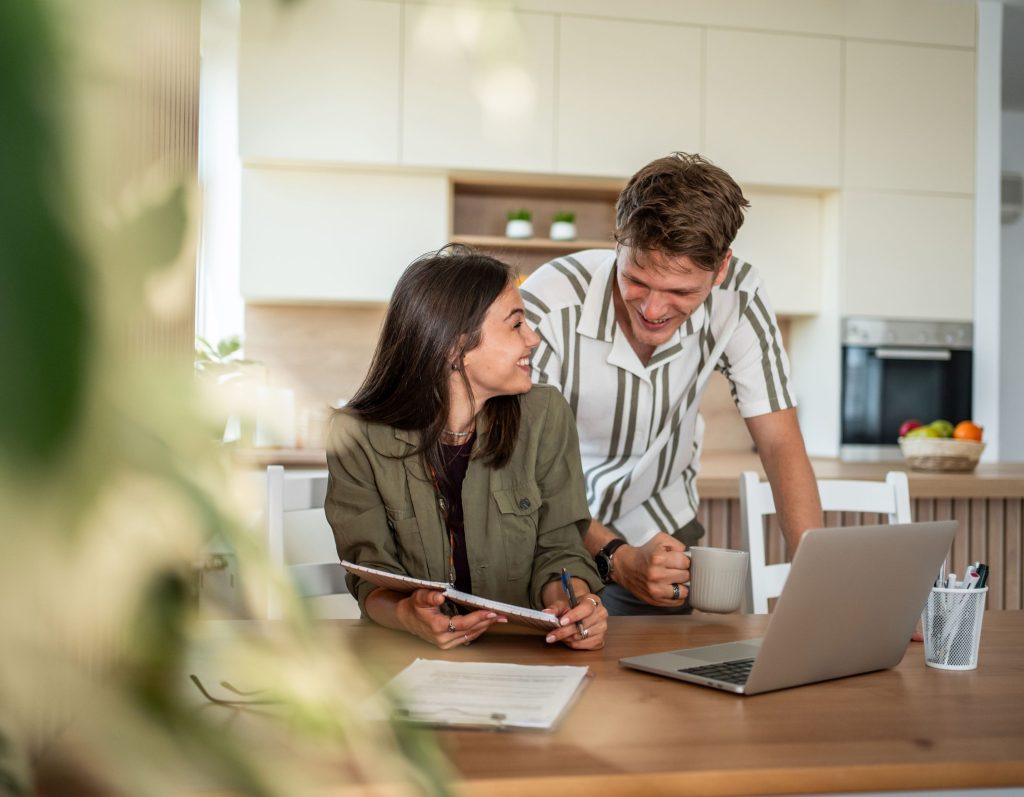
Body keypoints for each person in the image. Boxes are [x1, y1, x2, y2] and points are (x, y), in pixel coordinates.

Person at [520, 152, 823, 615]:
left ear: (721, 269)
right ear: (618, 242)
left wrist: (822, 586)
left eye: (681, 292)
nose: (654, 310)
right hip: (548, 532)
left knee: (671, 662)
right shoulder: (548, 303)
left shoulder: (738, 296)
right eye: (637, 280)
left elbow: (780, 442)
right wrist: (615, 558)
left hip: (661, 529)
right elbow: (522, 468)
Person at [325, 245, 608, 649]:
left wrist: (574, 604)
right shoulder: (355, 435)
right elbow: (368, 574)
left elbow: (560, 548)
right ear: (454, 348)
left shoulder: (546, 415)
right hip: (405, 656)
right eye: (516, 324)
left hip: (523, 653)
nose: (533, 339)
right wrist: (408, 615)